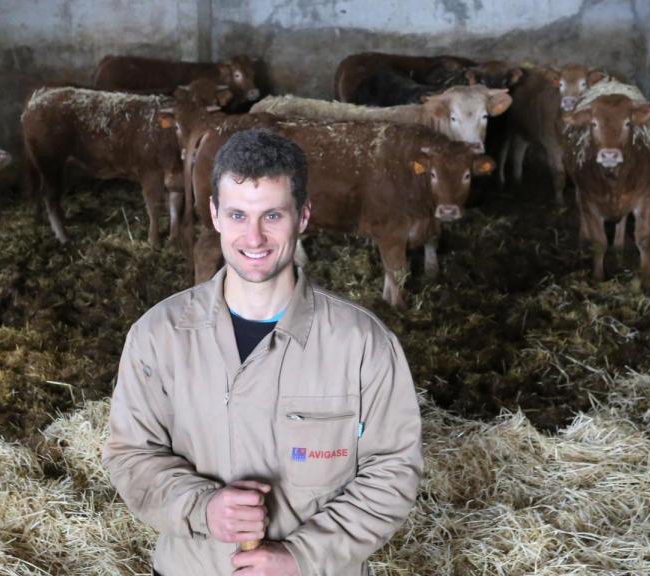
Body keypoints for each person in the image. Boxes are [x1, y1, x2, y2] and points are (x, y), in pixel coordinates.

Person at [103, 129, 423, 575]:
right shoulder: (159, 336)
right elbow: (131, 453)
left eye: (272, 215)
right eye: (237, 214)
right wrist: (203, 507)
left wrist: (302, 556)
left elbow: (393, 469)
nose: (253, 237)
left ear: (304, 216)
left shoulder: (361, 342)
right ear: (214, 215)